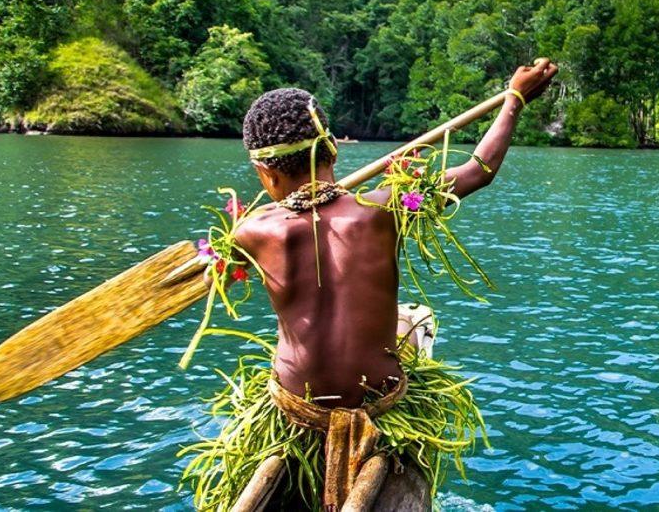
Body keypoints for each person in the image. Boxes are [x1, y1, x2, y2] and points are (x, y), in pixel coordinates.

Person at [182, 58, 558, 511]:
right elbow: (478, 169)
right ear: (334, 151)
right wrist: (514, 99)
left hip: (296, 411)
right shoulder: (384, 209)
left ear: (266, 175)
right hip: (379, 403)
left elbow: (235, 246)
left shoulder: (251, 231)